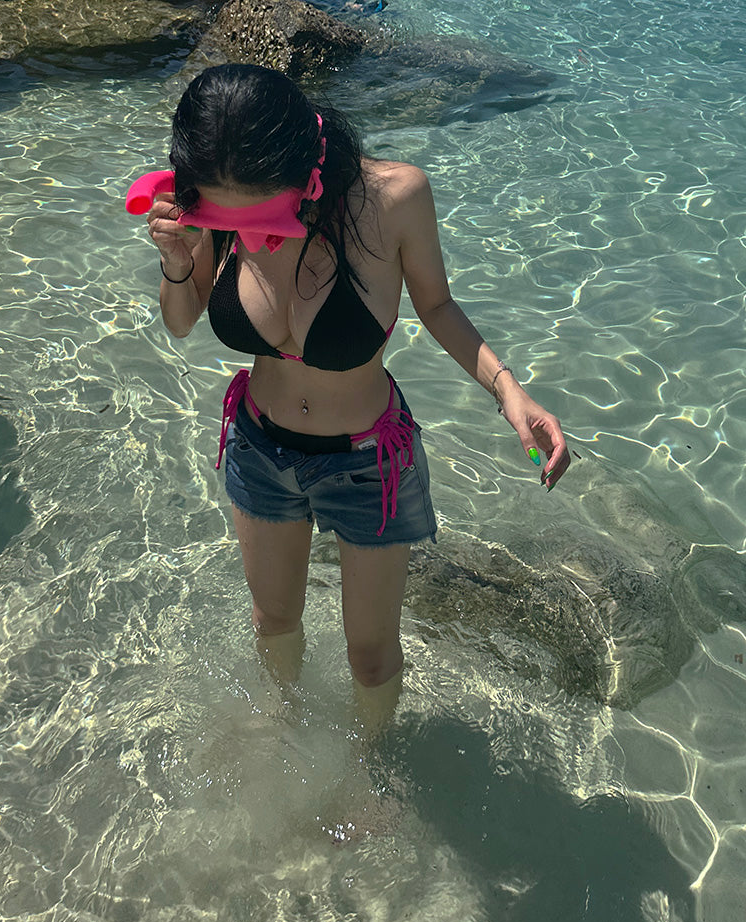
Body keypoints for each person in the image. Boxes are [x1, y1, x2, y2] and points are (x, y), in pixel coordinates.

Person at [137, 63, 570, 710]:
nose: (248, 228)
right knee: (272, 622)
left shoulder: (392, 197)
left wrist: (509, 391)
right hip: (260, 449)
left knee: (371, 658)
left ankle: (374, 777)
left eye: (265, 212)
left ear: (300, 167)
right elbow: (180, 322)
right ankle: (280, 728)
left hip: (369, 462)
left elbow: (438, 306)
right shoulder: (211, 198)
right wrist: (177, 264)